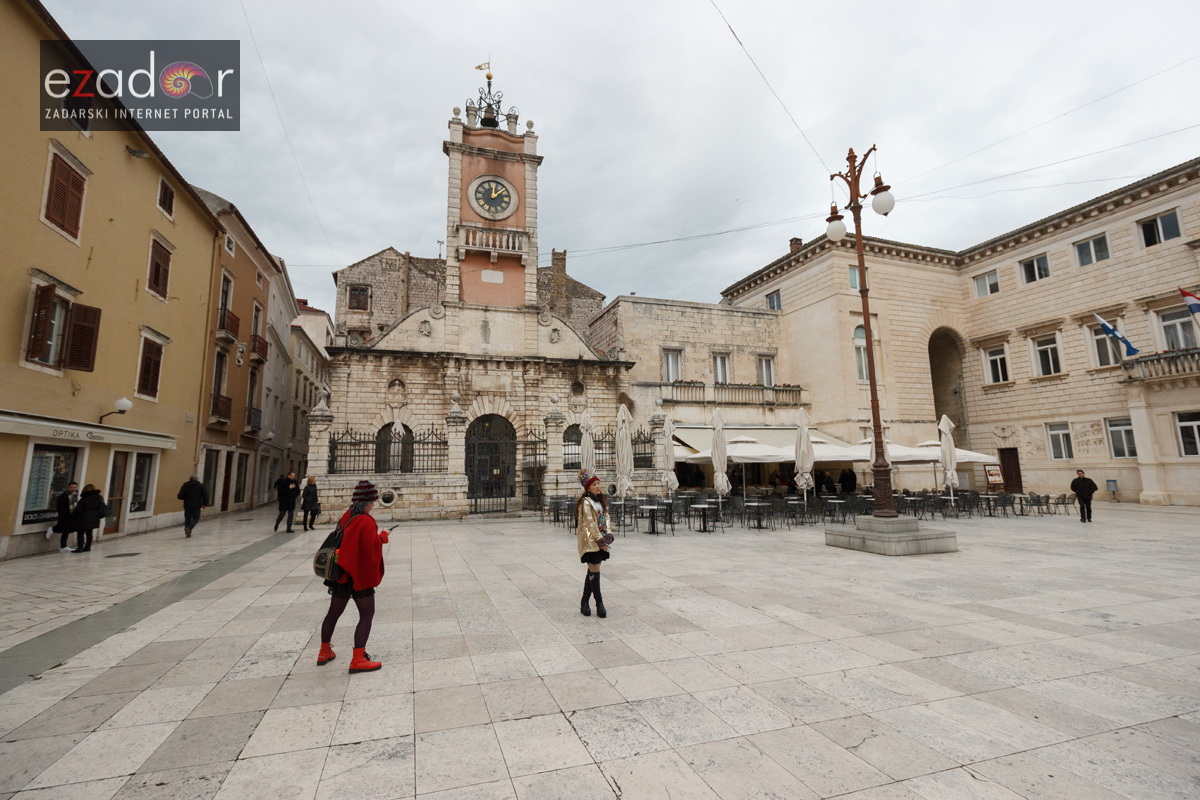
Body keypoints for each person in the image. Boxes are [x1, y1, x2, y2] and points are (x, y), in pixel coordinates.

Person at [318, 480, 389, 673]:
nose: (373, 505)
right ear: (365, 502)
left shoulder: (347, 516)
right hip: (357, 575)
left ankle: (324, 651)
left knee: (333, 613)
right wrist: (382, 537)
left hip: (340, 575)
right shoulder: (366, 521)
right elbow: (369, 547)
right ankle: (358, 658)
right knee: (366, 615)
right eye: (372, 502)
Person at [576, 469, 611, 618]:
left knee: (593, 571)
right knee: (594, 571)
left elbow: (606, 517)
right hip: (591, 541)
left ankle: (584, 602)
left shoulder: (600, 500)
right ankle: (599, 603)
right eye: (594, 484)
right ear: (588, 487)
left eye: (598, 483)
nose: (598, 486)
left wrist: (608, 533)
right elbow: (590, 523)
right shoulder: (586, 502)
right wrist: (601, 540)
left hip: (601, 540)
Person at [73, 484, 109, 553]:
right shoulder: (99, 498)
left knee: (80, 533)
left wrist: (74, 516)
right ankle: (88, 547)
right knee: (89, 533)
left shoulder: (84, 499)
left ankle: (80, 548)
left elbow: (78, 509)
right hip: (94, 518)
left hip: (83, 518)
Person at [48, 482, 81, 552]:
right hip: (65, 516)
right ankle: (53, 529)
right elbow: (60, 507)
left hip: (71, 516)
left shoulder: (75, 495)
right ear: (68, 487)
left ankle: (63, 546)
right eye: (71, 487)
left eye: (74, 487)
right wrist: (66, 513)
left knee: (66, 530)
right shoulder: (63, 496)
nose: (73, 489)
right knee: (63, 528)